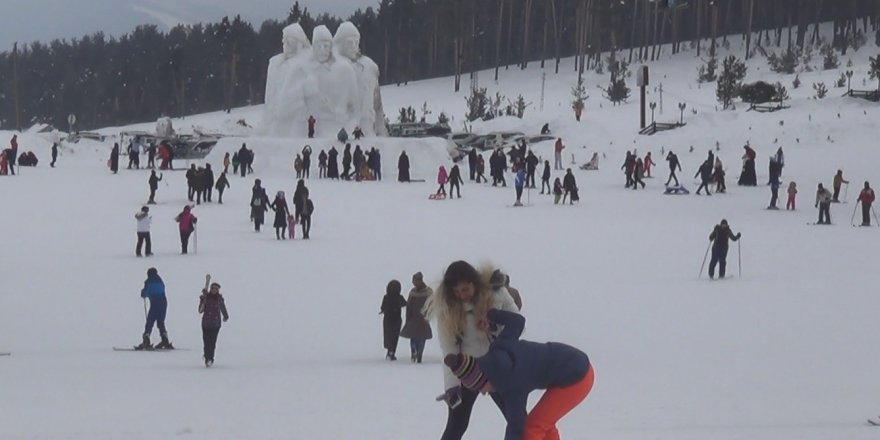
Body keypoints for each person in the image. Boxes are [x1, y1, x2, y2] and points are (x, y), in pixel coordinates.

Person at [444, 309, 593, 440]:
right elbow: (517, 321)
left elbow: (516, 426)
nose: (483, 393)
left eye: (480, 388)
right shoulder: (499, 346)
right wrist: (491, 314)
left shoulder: (512, 386)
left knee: (532, 428)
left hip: (577, 377)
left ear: (484, 379)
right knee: (542, 422)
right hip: (572, 360)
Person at [425, 260, 519, 440]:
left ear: (475, 283)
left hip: (499, 366)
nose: (462, 295)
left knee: (518, 420)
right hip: (468, 370)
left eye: (466, 289)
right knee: (457, 424)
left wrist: (493, 325)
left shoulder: (497, 292)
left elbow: (517, 324)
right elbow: (449, 352)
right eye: (457, 292)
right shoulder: (447, 310)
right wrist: (452, 387)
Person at [135, 267, 174, 350]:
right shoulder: (160, 281)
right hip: (164, 302)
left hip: (155, 303)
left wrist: (143, 293)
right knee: (160, 321)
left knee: (150, 321)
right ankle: (165, 339)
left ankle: (146, 339)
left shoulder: (148, 281)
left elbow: (145, 292)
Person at [400, 272, 433, 363]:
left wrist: (408, 319)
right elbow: (431, 305)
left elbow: (409, 307)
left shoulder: (414, 293)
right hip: (420, 319)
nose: (413, 282)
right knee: (419, 338)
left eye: (414, 280)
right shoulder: (427, 292)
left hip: (417, 319)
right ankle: (417, 354)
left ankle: (416, 353)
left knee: (416, 338)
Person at [199, 276, 229, 367]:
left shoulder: (219, 299)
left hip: (215, 325)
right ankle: (206, 356)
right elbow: (200, 311)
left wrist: (225, 316)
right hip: (206, 324)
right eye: (212, 289)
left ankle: (210, 359)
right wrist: (202, 301)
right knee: (206, 342)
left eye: (216, 289)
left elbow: (223, 308)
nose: (214, 290)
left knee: (212, 343)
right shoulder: (206, 298)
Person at [380, 279, 407, 361]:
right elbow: (405, 304)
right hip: (397, 320)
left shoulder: (386, 297)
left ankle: (389, 351)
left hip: (387, 319)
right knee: (395, 337)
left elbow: (382, 307)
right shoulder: (399, 297)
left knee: (388, 336)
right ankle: (392, 352)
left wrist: (384, 310)